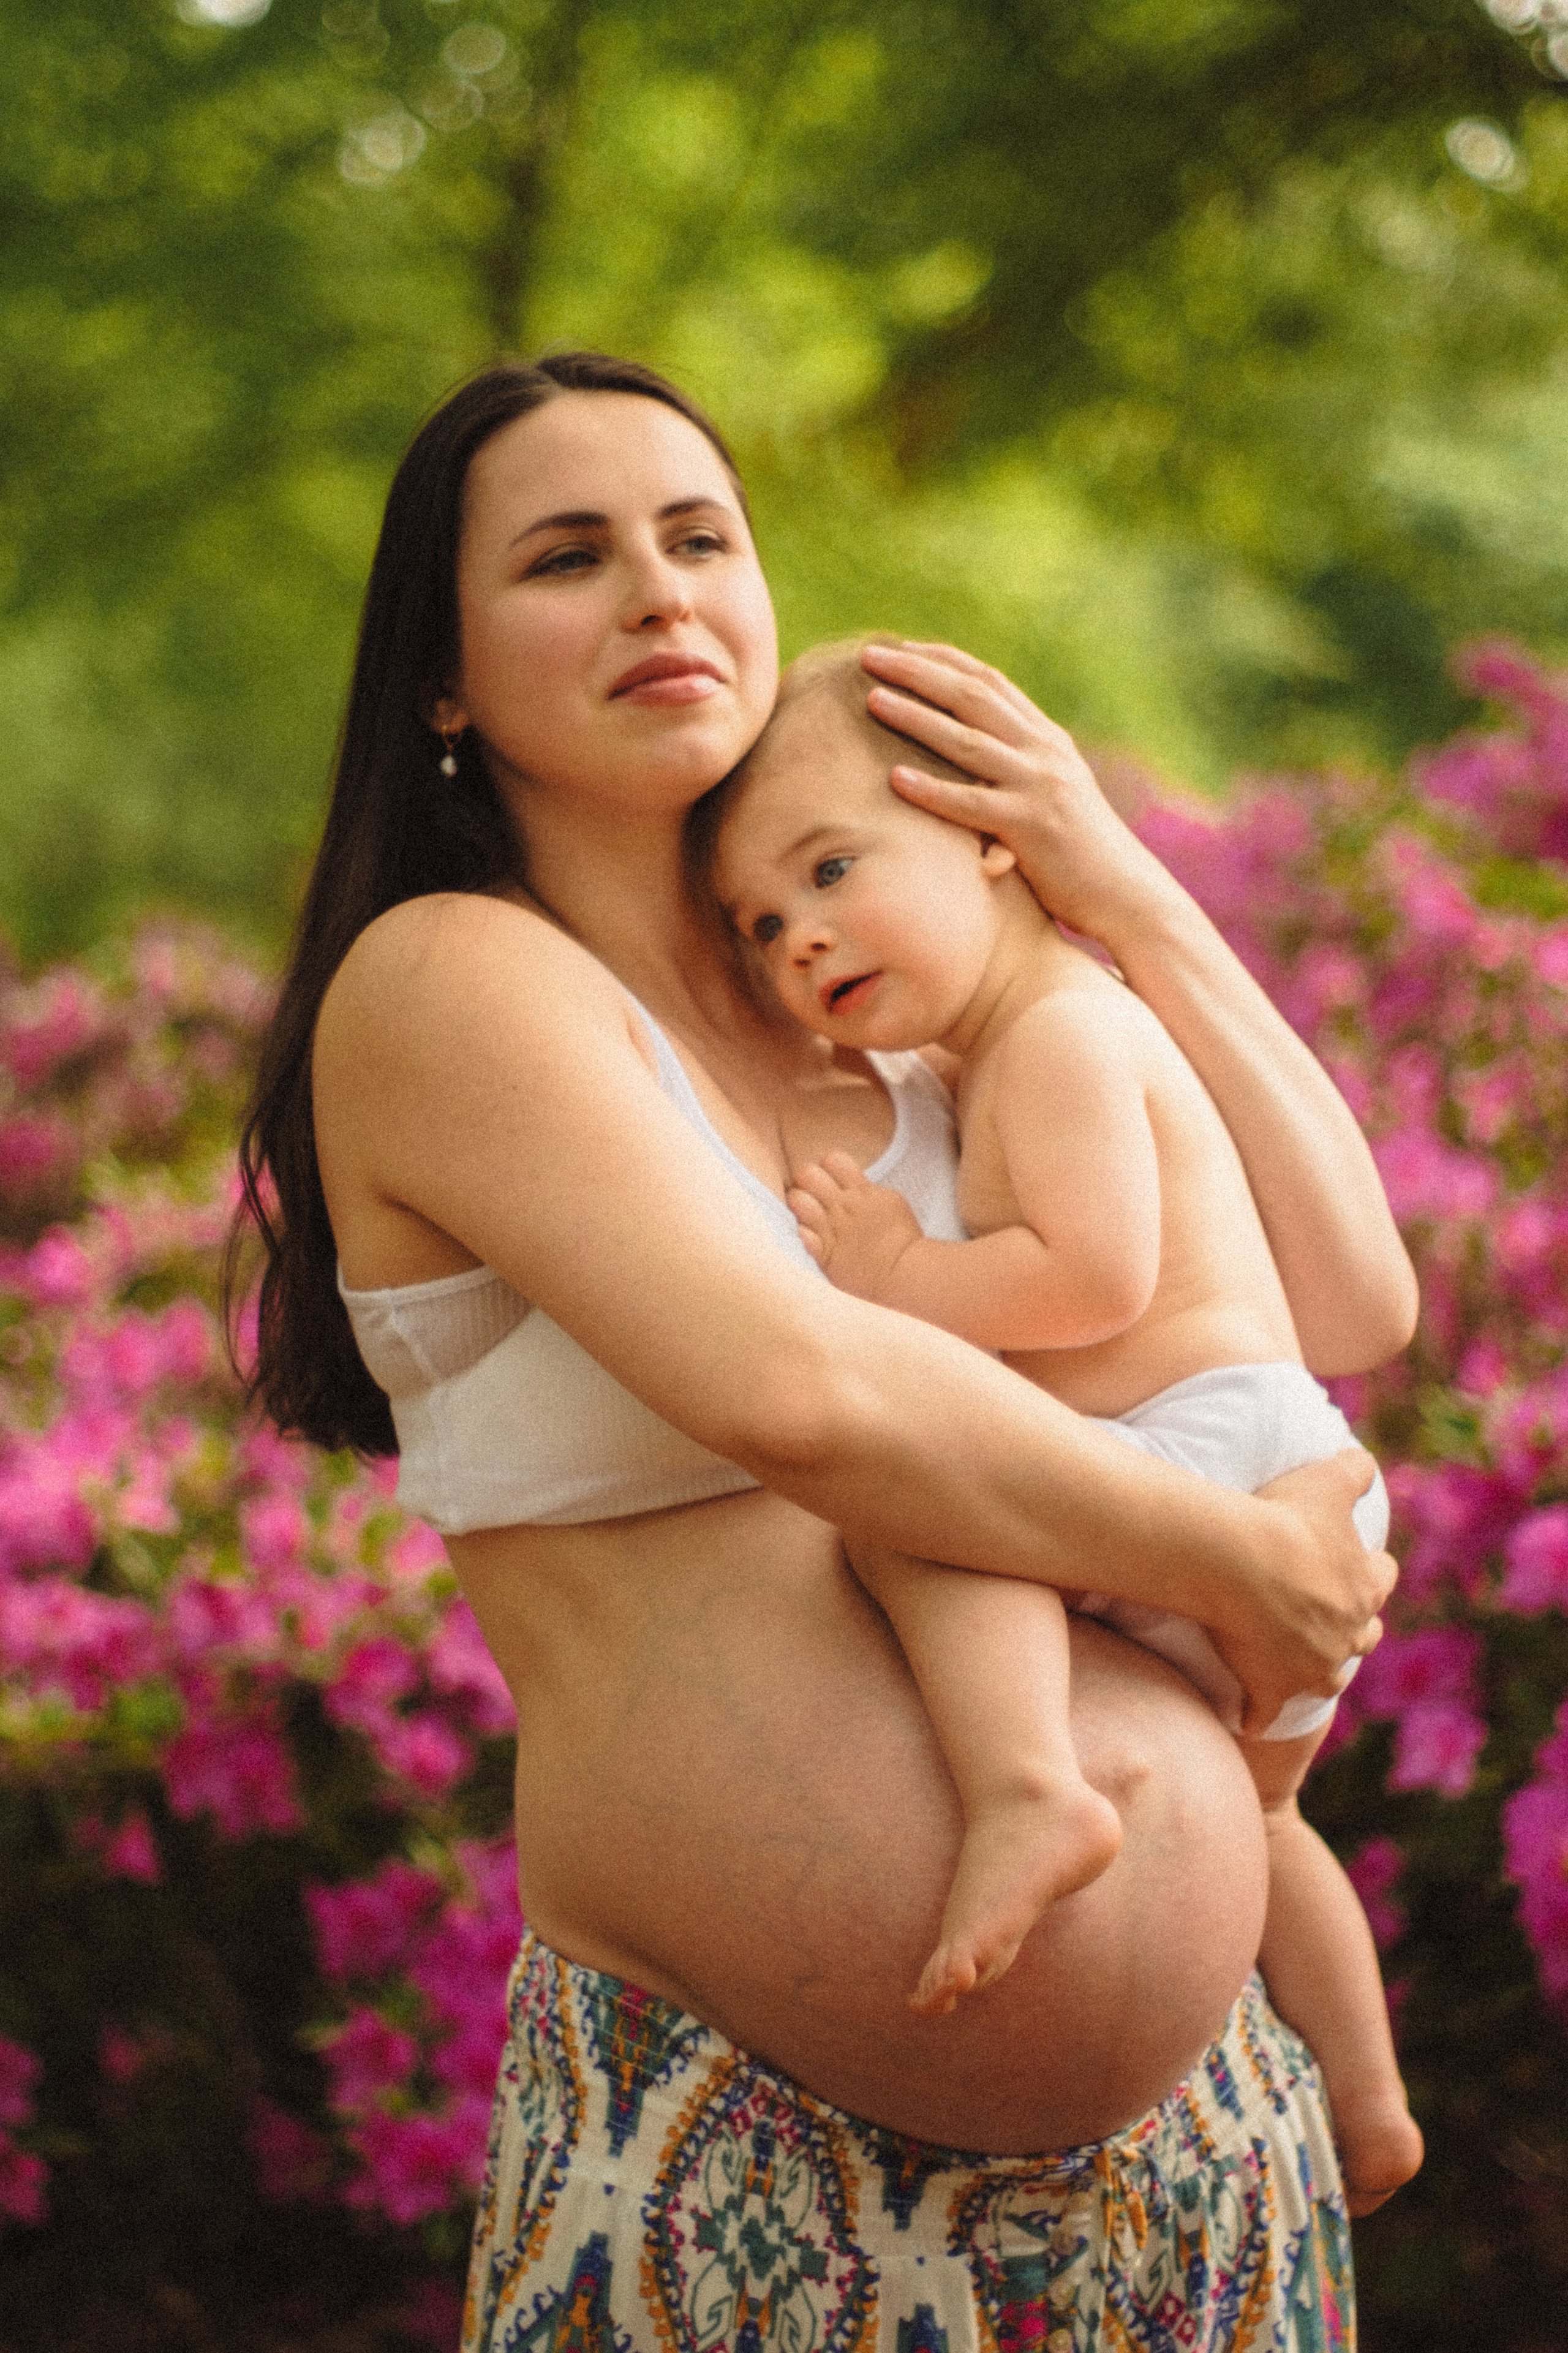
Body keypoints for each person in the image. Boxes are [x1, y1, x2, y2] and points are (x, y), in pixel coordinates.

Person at [237, 352, 1415, 2352]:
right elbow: (810, 1390)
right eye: (566, 555)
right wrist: (1229, 1556)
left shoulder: (880, 1012)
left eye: (702, 537)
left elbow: (1351, 1301)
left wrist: (1108, 883)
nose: (659, 593)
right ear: (439, 678)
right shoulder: (450, 982)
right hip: (742, 2160)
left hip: (1200, 2144)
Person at [704, 636, 1425, 2214]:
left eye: (831, 868)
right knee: (1269, 1811)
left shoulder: (1060, 1028)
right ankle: (1368, 2107)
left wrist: (902, 1277)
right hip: (1255, 1464)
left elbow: (1092, 1281)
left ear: (987, 836)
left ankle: (1027, 1780)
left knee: (918, 1513)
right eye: (759, 924)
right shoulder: (1007, 1043)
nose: (799, 936)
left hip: (1206, 1446)